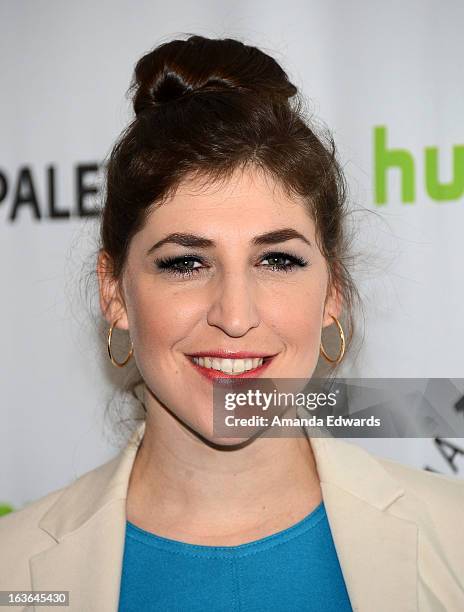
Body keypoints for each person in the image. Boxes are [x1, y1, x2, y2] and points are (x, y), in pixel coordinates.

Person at [1, 35, 463, 612]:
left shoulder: (455, 541)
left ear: (332, 292)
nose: (236, 317)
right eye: (186, 263)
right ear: (114, 291)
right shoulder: (11, 570)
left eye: (277, 260)